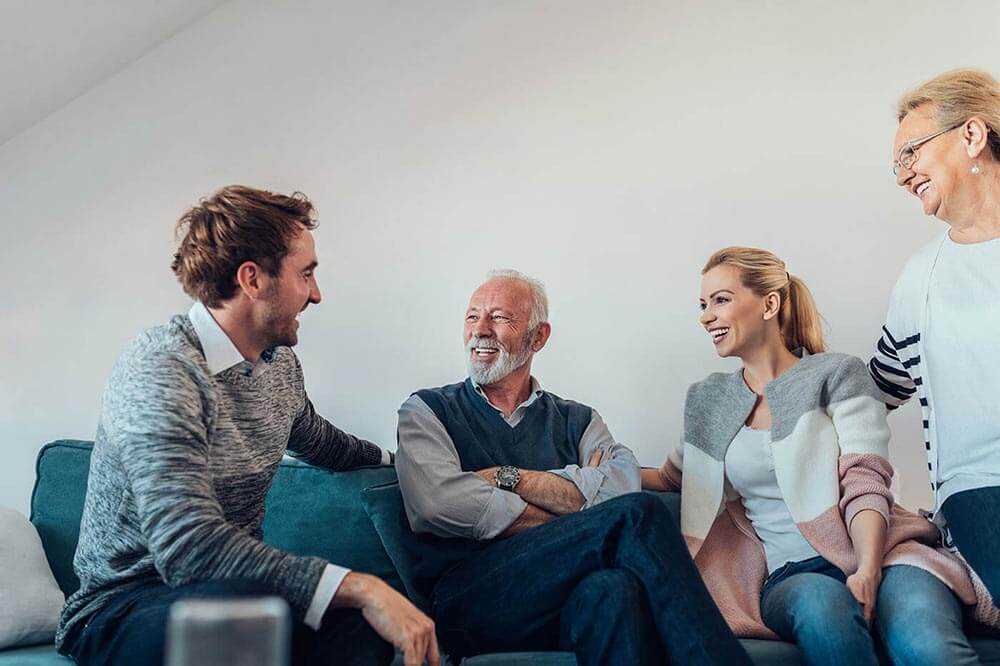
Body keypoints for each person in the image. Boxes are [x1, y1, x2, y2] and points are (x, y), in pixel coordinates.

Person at [57, 185, 439, 666]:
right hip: (124, 605)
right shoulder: (161, 367)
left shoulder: (278, 366)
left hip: (234, 596)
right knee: (235, 623)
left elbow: (322, 442)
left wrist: (403, 461)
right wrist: (357, 584)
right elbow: (187, 548)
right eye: (306, 274)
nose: (316, 294)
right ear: (253, 280)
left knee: (368, 632)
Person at [643, 247, 985, 665]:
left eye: (721, 300)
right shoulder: (708, 400)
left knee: (925, 645)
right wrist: (584, 474)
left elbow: (864, 481)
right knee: (823, 606)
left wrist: (867, 569)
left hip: (884, 555)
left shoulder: (837, 374)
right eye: (702, 304)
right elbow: (669, 478)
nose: (705, 316)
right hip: (791, 576)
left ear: (769, 303)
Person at [396, 269, 751, 666]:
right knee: (637, 518)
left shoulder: (578, 420)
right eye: (472, 316)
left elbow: (621, 487)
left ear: (538, 337)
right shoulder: (427, 410)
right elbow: (438, 503)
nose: (480, 330)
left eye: (499, 317)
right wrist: (581, 512)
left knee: (614, 589)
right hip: (471, 598)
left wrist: (506, 478)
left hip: (560, 601)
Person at [870, 68, 1000, 621]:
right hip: (980, 489)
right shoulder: (920, 278)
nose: (903, 177)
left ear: (971, 136)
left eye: (910, 153)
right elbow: (877, 388)